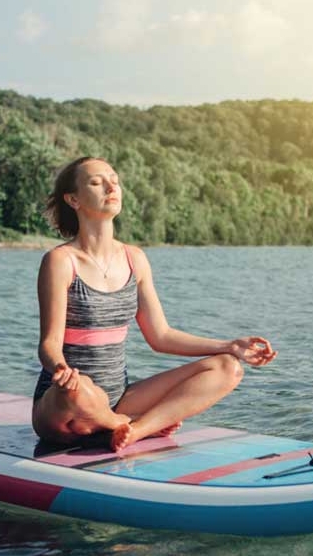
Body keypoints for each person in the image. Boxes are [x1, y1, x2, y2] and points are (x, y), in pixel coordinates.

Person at [32, 156, 277, 452]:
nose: (112, 186)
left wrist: (229, 346)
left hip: (118, 394)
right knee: (81, 390)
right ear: (73, 199)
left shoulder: (135, 259)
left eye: (115, 180)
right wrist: (61, 369)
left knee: (227, 368)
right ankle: (121, 421)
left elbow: (160, 336)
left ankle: (134, 430)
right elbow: (49, 344)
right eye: (97, 182)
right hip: (65, 403)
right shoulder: (60, 261)